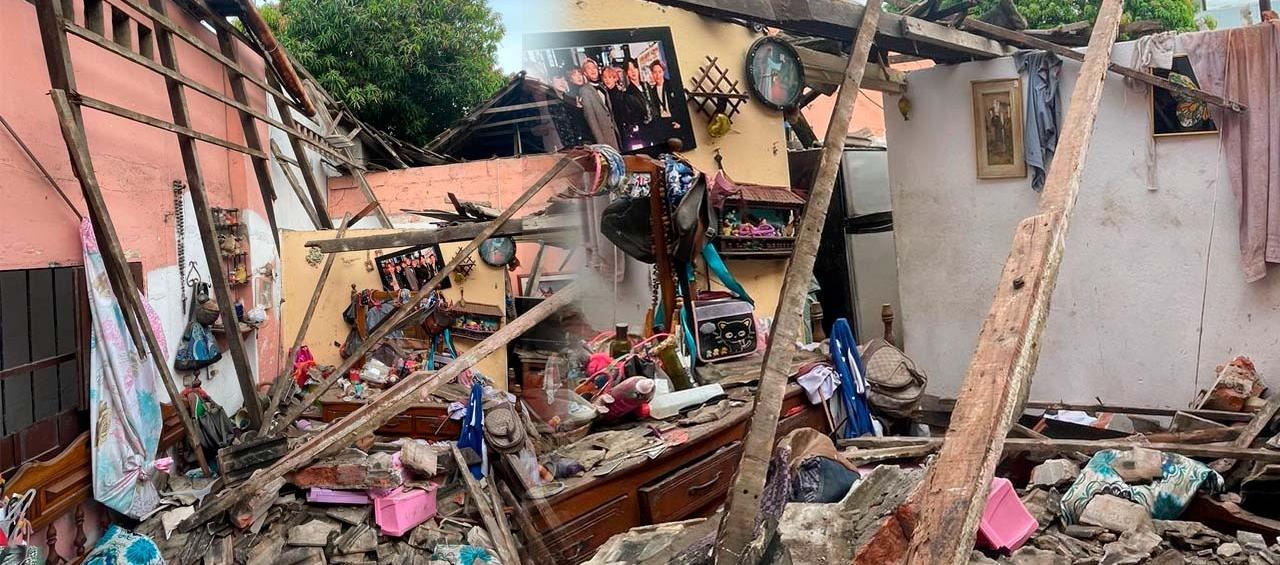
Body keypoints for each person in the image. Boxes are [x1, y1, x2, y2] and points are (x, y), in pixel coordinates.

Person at [574, 59, 620, 149]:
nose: (592, 70)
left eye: (594, 67)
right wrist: (601, 143)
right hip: (603, 138)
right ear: (585, 73)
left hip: (613, 134)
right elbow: (591, 119)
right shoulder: (585, 90)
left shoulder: (602, 87)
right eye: (589, 68)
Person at [617, 59, 654, 147]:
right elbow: (630, 115)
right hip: (643, 130)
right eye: (630, 69)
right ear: (627, 73)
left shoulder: (646, 86)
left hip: (656, 126)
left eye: (634, 68)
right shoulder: (627, 94)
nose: (633, 71)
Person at [644, 60, 682, 140]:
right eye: (655, 72)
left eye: (660, 72)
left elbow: (680, 104)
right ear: (652, 74)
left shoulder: (671, 85)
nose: (657, 75)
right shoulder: (652, 91)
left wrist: (679, 122)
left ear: (663, 72)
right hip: (662, 124)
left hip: (674, 121)